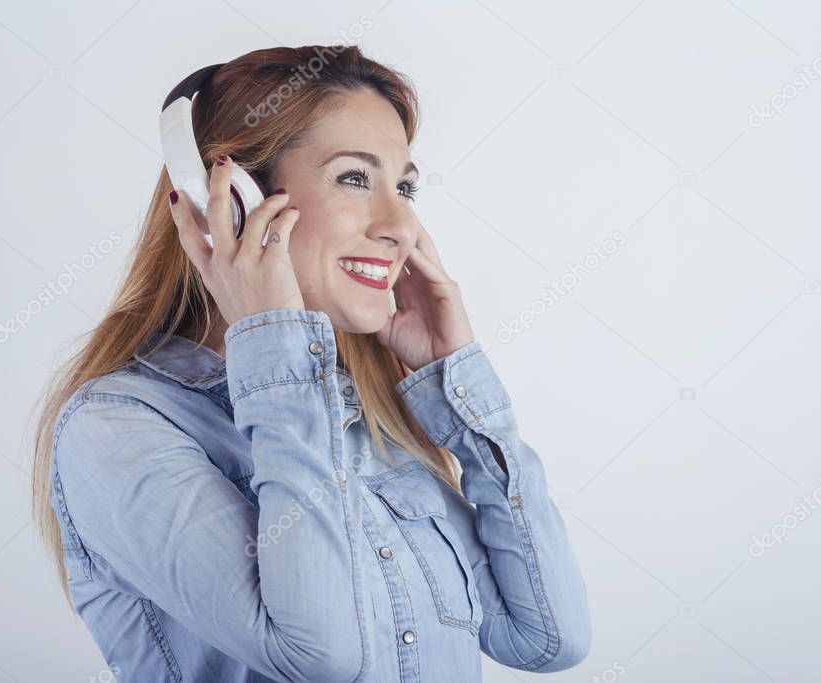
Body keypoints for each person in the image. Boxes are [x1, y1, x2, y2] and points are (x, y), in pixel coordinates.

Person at [30, 44, 591, 681]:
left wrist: (455, 388)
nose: (401, 225)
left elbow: (548, 636)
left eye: (404, 186)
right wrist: (272, 339)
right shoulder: (115, 429)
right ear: (232, 200)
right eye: (355, 178)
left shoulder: (366, 413)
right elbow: (324, 656)